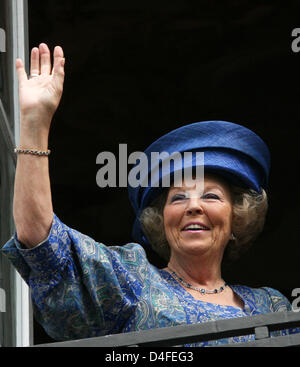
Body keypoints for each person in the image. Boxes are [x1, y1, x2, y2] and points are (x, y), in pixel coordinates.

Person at [1, 43, 298, 346]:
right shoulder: (134, 281)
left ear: (237, 219)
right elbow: (42, 241)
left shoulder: (271, 306)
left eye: (210, 196)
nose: (194, 206)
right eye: (179, 197)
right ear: (161, 222)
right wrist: (35, 123)